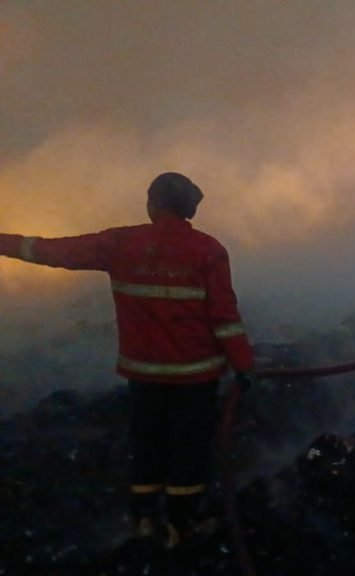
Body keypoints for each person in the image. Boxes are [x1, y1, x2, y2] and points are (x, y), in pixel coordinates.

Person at [0, 172, 255, 548]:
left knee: (147, 443)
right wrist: (245, 366)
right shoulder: (208, 250)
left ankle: (145, 521)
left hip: (144, 375)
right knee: (189, 449)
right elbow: (224, 317)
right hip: (195, 378)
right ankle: (182, 526)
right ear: (189, 208)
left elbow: (52, 251)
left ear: (153, 204)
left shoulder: (120, 243)